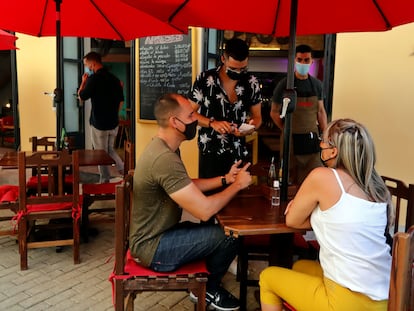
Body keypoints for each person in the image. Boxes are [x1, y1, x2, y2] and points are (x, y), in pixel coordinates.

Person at [129, 93, 252, 311]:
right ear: (174, 122)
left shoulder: (165, 148)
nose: (196, 119)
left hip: (159, 236)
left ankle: (205, 285)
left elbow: (185, 184)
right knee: (231, 234)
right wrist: (238, 186)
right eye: (191, 115)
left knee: (216, 228)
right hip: (154, 248)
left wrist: (225, 179)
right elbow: (204, 210)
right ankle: (208, 289)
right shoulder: (164, 159)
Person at [259, 118, 393, 311]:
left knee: (268, 278)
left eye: (322, 140)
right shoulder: (374, 187)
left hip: (345, 303)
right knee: (300, 268)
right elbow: (341, 221)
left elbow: (292, 220)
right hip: (383, 299)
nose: (319, 144)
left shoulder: (322, 177)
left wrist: (301, 207)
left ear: (333, 151)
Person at [189, 38, 262, 178]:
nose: (239, 73)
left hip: (238, 152)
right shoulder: (205, 79)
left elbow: (257, 118)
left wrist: (250, 128)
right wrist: (212, 123)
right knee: (210, 196)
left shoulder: (251, 83)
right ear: (223, 58)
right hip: (210, 151)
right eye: (234, 69)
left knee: (239, 197)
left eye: (243, 69)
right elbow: (189, 112)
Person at [270, 44, 328, 185]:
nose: (303, 63)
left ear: (311, 61)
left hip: (311, 139)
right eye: (300, 59)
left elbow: (320, 111)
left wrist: (326, 134)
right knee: (289, 179)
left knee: (314, 178)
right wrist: (285, 128)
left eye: (306, 60)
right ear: (294, 60)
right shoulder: (284, 85)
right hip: (290, 141)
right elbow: (274, 112)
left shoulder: (317, 85)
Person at [78, 51, 124, 183]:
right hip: (113, 123)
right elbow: (121, 100)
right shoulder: (115, 80)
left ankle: (104, 180)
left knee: (100, 153)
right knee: (109, 149)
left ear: (93, 64)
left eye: (87, 64)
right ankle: (124, 170)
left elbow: (81, 97)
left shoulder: (93, 80)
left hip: (99, 123)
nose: (87, 67)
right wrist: (114, 114)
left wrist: (83, 82)